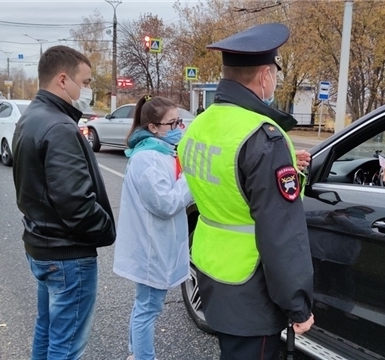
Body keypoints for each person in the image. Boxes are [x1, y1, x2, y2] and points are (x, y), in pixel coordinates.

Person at [177, 23, 314, 360]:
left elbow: (229, 186)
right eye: (276, 74)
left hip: (211, 269)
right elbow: (281, 234)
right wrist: (298, 305)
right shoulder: (264, 137)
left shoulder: (201, 124)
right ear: (265, 77)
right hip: (252, 286)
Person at [12, 45, 116, 360]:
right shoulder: (58, 126)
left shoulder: (33, 115)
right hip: (67, 255)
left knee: (47, 334)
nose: (86, 90)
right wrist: (105, 230)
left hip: (44, 246)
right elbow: (75, 201)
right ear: (62, 80)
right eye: (84, 83)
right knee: (66, 346)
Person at [113, 95, 193, 360]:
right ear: (153, 128)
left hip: (158, 244)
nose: (179, 128)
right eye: (172, 124)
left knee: (146, 305)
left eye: (179, 121)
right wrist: (190, 181)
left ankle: (136, 353)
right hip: (151, 249)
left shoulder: (162, 153)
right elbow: (165, 203)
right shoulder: (146, 159)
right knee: (148, 308)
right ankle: (143, 357)